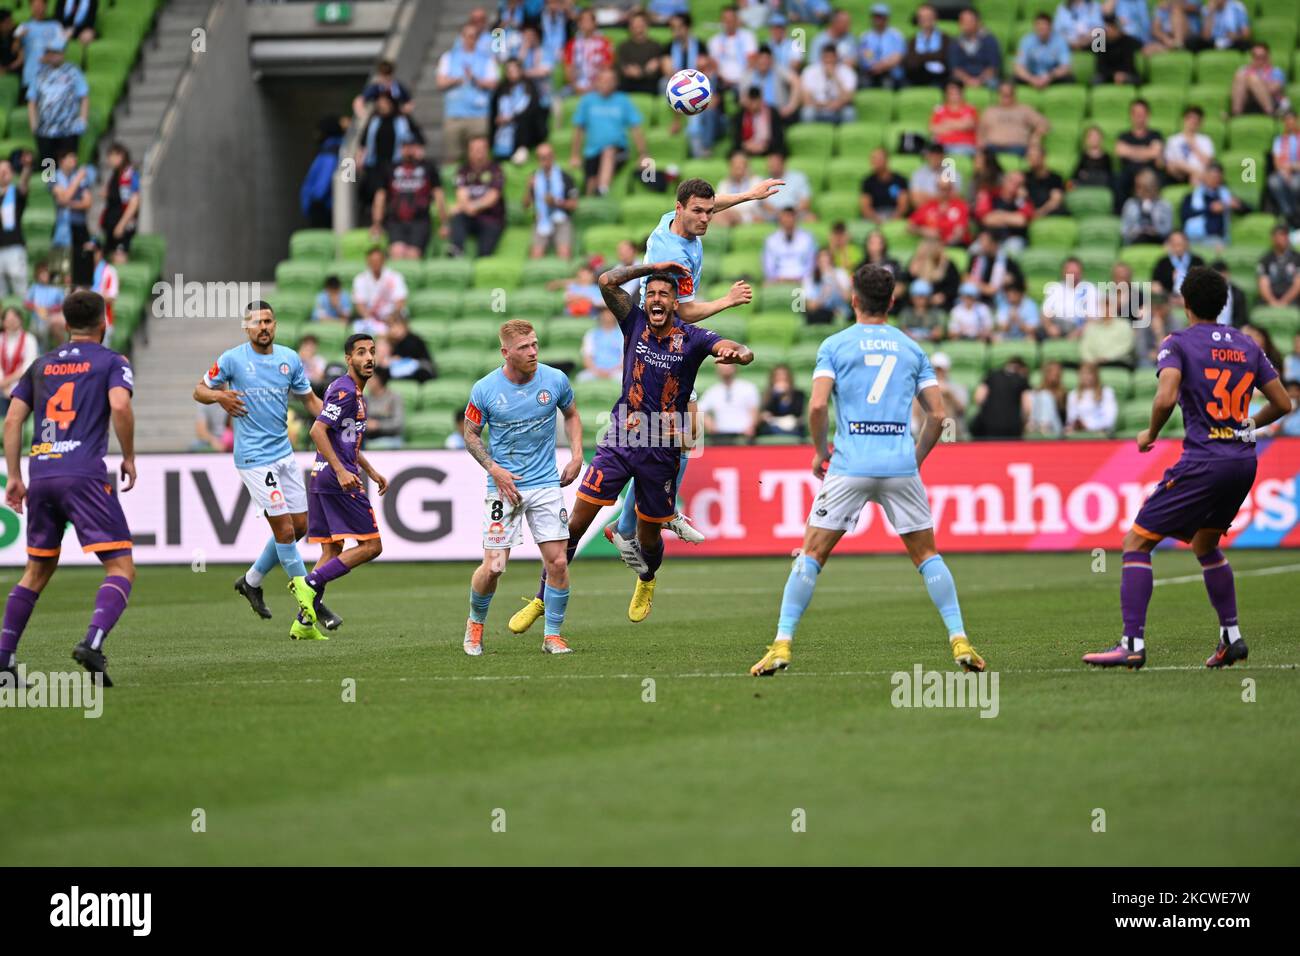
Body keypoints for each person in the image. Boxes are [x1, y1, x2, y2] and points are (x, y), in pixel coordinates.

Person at [750, 263, 986, 678]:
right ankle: (959, 638)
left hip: (850, 463)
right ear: (892, 302)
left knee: (812, 553)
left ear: (853, 300)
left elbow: (818, 405)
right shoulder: (912, 349)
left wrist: (820, 452)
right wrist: (914, 460)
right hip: (899, 464)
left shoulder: (835, 345)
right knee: (927, 554)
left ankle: (783, 644)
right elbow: (938, 413)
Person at [510, 263, 753, 637]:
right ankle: (543, 598)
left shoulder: (692, 337)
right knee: (573, 525)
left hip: (663, 449)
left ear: (675, 302)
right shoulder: (634, 322)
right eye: (651, 293)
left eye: (664, 294)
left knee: (649, 537)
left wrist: (739, 354)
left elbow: (730, 346)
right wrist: (652, 268)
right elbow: (606, 280)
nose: (656, 299)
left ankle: (647, 577)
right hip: (622, 438)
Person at [1083, 266, 1291, 670]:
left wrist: (1149, 433)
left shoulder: (1176, 342)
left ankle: (1132, 643)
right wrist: (1248, 424)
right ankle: (1231, 637)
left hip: (1204, 460)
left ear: (1186, 303)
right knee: (1205, 544)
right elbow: (1284, 404)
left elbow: (1165, 396)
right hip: (1243, 462)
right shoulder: (1247, 345)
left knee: (1136, 542)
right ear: (1223, 304)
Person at [0, 290, 134, 686]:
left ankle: (3, 660)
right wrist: (129, 456)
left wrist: (14, 476)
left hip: (41, 473)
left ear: (66, 323)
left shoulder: (39, 365)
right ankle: (92, 642)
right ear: (103, 322)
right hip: (83, 475)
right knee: (120, 566)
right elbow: (121, 407)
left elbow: (12, 422)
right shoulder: (113, 362)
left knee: (36, 571)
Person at [194, 302, 332, 629]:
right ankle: (311, 601)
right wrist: (220, 397)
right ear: (246, 327)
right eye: (257, 323)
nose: (263, 327)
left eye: (268, 321)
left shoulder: (289, 359)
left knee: (300, 526)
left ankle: (251, 581)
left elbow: (309, 399)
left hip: (283, 454)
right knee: (284, 529)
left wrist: (333, 421)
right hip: (253, 457)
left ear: (275, 324)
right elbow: (199, 391)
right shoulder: (232, 359)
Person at [461, 319, 583, 656]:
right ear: (505, 353)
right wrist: (493, 468)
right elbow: (470, 433)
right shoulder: (485, 389)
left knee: (557, 562)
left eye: (535, 344)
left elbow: (572, 414)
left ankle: (553, 636)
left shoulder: (555, 379)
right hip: (504, 487)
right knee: (495, 566)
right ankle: (474, 625)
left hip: (545, 483)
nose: (532, 352)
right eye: (524, 348)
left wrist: (576, 455)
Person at [293, 334, 388, 641]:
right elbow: (317, 430)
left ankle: (304, 623)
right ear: (349, 359)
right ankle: (309, 583)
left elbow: (342, 437)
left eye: (372, 351)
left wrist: (370, 470)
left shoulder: (347, 390)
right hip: (336, 478)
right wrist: (342, 470)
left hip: (322, 477)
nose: (369, 357)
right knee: (372, 546)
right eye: (361, 352)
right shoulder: (346, 391)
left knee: (332, 548)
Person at [570, 68, 647, 196]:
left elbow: (636, 128)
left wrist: (643, 154)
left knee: (608, 151)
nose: (607, 83)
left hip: (618, 151)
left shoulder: (623, 100)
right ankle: (591, 202)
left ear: (616, 83)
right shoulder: (587, 101)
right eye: (603, 80)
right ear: (597, 82)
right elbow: (579, 129)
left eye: (610, 80)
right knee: (590, 182)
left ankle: (602, 189)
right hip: (592, 151)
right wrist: (575, 155)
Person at [372, 137, 446, 259]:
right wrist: (376, 223)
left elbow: (439, 195)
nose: (409, 150)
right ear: (401, 149)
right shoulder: (390, 168)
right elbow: (380, 197)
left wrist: (444, 223)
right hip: (395, 220)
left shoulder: (428, 168)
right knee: (397, 252)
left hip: (420, 221)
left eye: (412, 147)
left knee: (413, 255)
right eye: (406, 147)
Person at [436, 23, 499, 165]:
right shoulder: (448, 57)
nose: (470, 39)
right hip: (454, 115)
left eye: (473, 36)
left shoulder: (487, 59)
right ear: (461, 37)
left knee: (479, 156)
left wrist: (475, 79)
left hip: (478, 115)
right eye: (467, 36)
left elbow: (493, 83)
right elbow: (440, 83)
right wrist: (457, 80)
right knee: (453, 156)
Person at [26, 36, 88, 167]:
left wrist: (82, 120)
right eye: (50, 52)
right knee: (48, 168)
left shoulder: (73, 71)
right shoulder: (39, 74)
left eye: (57, 52)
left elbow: (84, 96)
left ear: (62, 53)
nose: (54, 56)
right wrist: (33, 124)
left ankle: (69, 186)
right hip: (45, 131)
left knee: (68, 165)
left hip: (68, 129)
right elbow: (32, 101)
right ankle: (50, 187)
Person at [448, 136, 506, 257]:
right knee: (458, 217)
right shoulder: (463, 170)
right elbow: (461, 194)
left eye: (481, 149)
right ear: (469, 152)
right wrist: (464, 207)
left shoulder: (496, 170)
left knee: (484, 252)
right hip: (469, 217)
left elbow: (492, 198)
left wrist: (468, 206)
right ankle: (456, 250)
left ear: (487, 151)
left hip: (491, 218)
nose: (478, 153)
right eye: (474, 149)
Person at [523, 142, 578, 259]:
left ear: (553, 156)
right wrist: (529, 188)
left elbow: (574, 204)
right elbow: (526, 205)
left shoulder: (565, 177)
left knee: (564, 254)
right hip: (541, 219)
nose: (546, 160)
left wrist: (556, 202)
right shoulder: (534, 178)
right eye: (542, 157)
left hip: (561, 218)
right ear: (538, 160)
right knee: (535, 255)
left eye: (549, 156)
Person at [489, 58, 544, 165]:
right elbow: (494, 110)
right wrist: (497, 119)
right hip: (502, 133)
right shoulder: (501, 89)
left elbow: (532, 111)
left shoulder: (529, 87)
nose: (512, 73)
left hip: (523, 133)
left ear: (520, 70)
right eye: (509, 70)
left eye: (515, 70)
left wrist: (512, 118)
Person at [1114, 98, 1164, 209]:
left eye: (1142, 114)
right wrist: (1146, 152)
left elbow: (1155, 153)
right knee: (1118, 180)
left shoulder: (1155, 135)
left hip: (1150, 171)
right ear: (1131, 115)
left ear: (1148, 115)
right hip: (1129, 173)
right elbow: (1120, 151)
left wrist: (1131, 151)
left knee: (1153, 178)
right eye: (1136, 114)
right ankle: (1121, 215)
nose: (1139, 117)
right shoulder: (1123, 136)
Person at [1180, 162, 1245, 247]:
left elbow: (1247, 209)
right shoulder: (1192, 196)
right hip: (1192, 238)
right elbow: (1185, 215)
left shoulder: (1225, 195)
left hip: (1216, 239)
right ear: (1205, 176)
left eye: (1217, 177)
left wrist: (1237, 205)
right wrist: (1210, 209)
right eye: (1212, 176)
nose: (1214, 179)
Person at [977, 81, 1049, 157]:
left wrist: (1035, 136)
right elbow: (981, 129)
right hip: (993, 147)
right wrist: (981, 141)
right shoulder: (990, 111)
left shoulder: (1024, 109)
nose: (1006, 96)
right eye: (1003, 94)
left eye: (1009, 94)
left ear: (1014, 94)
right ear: (998, 94)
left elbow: (1044, 124)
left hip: (1017, 147)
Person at [699, 359, 760, 443]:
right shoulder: (712, 391)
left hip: (743, 435)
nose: (725, 369)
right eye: (722, 367)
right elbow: (699, 409)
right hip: (720, 435)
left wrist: (751, 427)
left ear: (735, 368)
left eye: (727, 365)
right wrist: (709, 424)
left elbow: (754, 410)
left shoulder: (748, 388)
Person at [351, 246, 408, 333]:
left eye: (378, 260)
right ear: (368, 262)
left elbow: (400, 301)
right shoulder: (360, 279)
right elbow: (359, 304)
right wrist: (369, 318)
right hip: (371, 319)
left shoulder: (395, 277)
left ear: (383, 261)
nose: (375, 263)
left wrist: (392, 317)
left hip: (393, 318)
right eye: (372, 261)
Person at [971, 355, 1030, 437]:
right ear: (1022, 369)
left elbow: (978, 398)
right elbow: (1027, 408)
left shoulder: (991, 375)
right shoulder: (1022, 379)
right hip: (1012, 428)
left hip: (987, 426)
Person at [100, 142, 138, 262]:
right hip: (111, 224)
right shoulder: (115, 174)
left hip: (121, 226)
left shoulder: (130, 175)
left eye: (111, 156)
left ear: (120, 155)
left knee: (119, 258)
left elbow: (134, 202)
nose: (109, 160)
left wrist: (121, 225)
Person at [0, 152, 32, 297]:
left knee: (21, 290)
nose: (2, 174)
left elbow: (24, 185)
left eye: (6, 171)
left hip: (14, 247)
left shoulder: (15, 193)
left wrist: (26, 167)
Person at [947, 7, 1001, 90]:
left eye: (969, 21)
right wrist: (968, 80)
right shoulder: (955, 42)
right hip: (963, 79)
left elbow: (992, 67)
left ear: (978, 22)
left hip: (985, 79)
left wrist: (979, 81)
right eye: (962, 21)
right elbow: (955, 68)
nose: (965, 24)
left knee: (994, 84)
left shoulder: (990, 40)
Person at [799, 45, 855, 125]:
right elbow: (806, 99)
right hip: (818, 109)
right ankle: (810, 136)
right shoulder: (810, 71)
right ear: (821, 58)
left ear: (837, 57)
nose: (829, 60)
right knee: (807, 112)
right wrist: (822, 105)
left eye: (832, 57)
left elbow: (848, 98)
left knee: (849, 112)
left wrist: (835, 77)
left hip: (838, 110)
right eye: (826, 57)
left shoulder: (847, 72)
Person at [908, 178, 971, 248]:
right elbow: (910, 226)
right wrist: (924, 231)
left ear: (951, 189)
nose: (943, 192)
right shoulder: (928, 206)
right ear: (937, 189)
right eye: (940, 189)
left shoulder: (960, 205)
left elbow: (959, 232)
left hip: (954, 246)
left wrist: (944, 244)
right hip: (931, 245)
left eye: (946, 189)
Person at [1015, 13, 1073, 88]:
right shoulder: (1026, 41)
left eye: (1044, 26)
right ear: (1034, 27)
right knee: (1014, 79)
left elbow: (1066, 67)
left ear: (1050, 27)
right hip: (1032, 75)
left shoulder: (1060, 41)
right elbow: (1018, 66)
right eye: (1039, 26)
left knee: (1069, 79)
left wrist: (1050, 77)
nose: (1041, 28)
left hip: (1052, 76)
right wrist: (1031, 79)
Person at [1231, 42, 1287, 117]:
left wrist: (1254, 83)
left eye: (1262, 57)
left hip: (1270, 102)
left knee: (1252, 79)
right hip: (1248, 103)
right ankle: (1235, 114)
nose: (1259, 60)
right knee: (1240, 75)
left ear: (1268, 57)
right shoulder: (1244, 70)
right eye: (1256, 57)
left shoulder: (1276, 71)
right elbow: (1235, 91)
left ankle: (1271, 114)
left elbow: (1274, 89)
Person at [858, 3, 906, 89]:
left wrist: (883, 66)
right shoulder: (866, 37)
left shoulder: (896, 35)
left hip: (891, 73)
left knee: (889, 82)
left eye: (881, 16)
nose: (878, 19)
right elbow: (866, 55)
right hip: (871, 72)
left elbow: (898, 56)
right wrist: (874, 66)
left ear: (887, 18)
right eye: (875, 16)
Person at [762, 207, 816, 284]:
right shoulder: (771, 240)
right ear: (780, 220)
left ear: (795, 219)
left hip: (802, 278)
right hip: (778, 278)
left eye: (790, 217)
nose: (788, 220)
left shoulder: (807, 238)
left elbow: (810, 263)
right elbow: (769, 265)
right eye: (785, 217)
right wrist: (776, 278)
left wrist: (803, 277)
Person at [615, 11, 664, 95]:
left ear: (646, 26)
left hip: (650, 84)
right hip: (628, 83)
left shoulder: (655, 46)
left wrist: (643, 72)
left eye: (641, 24)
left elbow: (656, 67)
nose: (638, 28)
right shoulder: (624, 46)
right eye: (635, 25)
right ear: (630, 27)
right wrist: (628, 70)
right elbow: (621, 66)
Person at [1164, 106, 1214, 186]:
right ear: (1184, 120)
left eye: (1196, 120)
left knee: (1196, 177)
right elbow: (1169, 166)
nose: (1193, 122)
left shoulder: (1205, 140)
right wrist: (1190, 170)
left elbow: (1208, 162)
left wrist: (1193, 145)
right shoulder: (1173, 140)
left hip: (1201, 175)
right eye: (1190, 118)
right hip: (1179, 175)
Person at [0, 305, 37, 414]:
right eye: (8, 319)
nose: (12, 322)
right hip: (2, 385)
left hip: (20, 384)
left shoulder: (29, 339)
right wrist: (3, 385)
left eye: (15, 318)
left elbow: (28, 366)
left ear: (21, 320)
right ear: (3, 322)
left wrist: (8, 384)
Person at [1121, 169, 1173, 244]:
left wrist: (1156, 231)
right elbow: (1124, 231)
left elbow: (1168, 229)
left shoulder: (1164, 205)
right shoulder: (1130, 204)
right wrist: (1136, 231)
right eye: (1138, 187)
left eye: (1145, 188)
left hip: (1158, 240)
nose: (1140, 191)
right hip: (1135, 240)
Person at [903, 4, 950, 87]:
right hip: (917, 78)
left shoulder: (945, 38)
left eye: (929, 16)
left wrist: (921, 58)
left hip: (940, 79)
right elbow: (910, 63)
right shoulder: (912, 41)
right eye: (922, 17)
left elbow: (945, 59)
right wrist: (933, 56)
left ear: (935, 18)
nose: (926, 20)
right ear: (918, 20)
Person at [859, 147, 910, 222]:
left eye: (879, 159)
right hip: (875, 215)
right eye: (873, 159)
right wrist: (876, 219)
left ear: (887, 160)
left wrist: (893, 219)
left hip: (894, 214)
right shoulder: (867, 182)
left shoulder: (900, 180)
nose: (876, 162)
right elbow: (865, 207)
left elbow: (903, 205)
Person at [1256, 225, 1300, 310]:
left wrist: (1284, 301)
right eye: (1280, 235)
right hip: (1270, 299)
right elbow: (1263, 282)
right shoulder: (1265, 259)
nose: (1284, 238)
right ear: (1273, 238)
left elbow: (1298, 283)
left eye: (1285, 235)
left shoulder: (1297, 258)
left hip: (1293, 299)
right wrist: (1272, 302)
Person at [802, 247, 851, 323]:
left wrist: (835, 280)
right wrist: (824, 294)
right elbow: (810, 306)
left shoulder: (841, 273)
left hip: (841, 311)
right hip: (821, 312)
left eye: (827, 261)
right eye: (821, 261)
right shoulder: (810, 278)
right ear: (817, 263)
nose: (824, 264)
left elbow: (847, 298)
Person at [1268, 110, 1300, 226]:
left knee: (1295, 184)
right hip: (1284, 172)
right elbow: (1276, 162)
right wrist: (1284, 172)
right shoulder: (1279, 140)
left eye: (1291, 119)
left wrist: (1292, 167)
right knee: (1274, 182)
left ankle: (1297, 213)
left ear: (1296, 120)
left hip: (1298, 172)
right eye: (1286, 120)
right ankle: (1288, 213)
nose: (1289, 122)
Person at [930, 81, 978, 156]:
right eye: (951, 93)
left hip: (964, 145)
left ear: (962, 94)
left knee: (959, 152)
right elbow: (934, 129)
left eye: (957, 93)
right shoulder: (939, 109)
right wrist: (960, 124)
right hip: (942, 146)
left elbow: (969, 125)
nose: (954, 96)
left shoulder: (970, 108)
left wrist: (947, 123)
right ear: (946, 94)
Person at [1186, 0, 1252, 54]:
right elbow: (1205, 36)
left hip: (1232, 42)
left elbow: (1246, 34)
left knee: (1245, 44)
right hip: (1213, 43)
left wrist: (1236, 36)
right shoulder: (1207, 9)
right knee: (1192, 41)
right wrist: (1210, 13)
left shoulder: (1237, 7)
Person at [759, 364, 805, 438]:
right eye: (778, 376)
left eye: (784, 376)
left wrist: (787, 396)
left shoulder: (798, 395)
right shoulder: (767, 395)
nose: (781, 378)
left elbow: (797, 413)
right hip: (772, 428)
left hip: (792, 427)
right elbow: (767, 413)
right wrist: (776, 395)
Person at [1094, 13, 1141, 85]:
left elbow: (1129, 64)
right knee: (1096, 80)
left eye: (1112, 27)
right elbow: (1100, 67)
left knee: (1137, 80)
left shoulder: (1129, 41)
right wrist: (1114, 75)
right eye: (1107, 27)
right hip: (1107, 76)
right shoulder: (1100, 42)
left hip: (1126, 74)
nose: (1108, 30)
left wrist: (1122, 75)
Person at [362, 367, 403, 449]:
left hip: (391, 438)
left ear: (379, 380)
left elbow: (398, 424)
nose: (367, 381)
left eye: (371, 377)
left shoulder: (394, 397)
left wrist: (378, 425)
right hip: (369, 439)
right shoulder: (365, 399)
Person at [1023, 360, 1065, 435]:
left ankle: (1043, 426)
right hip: (1037, 424)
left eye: (1056, 372)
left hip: (1056, 429)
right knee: (1030, 394)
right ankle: (1033, 425)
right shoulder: (1037, 393)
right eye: (1051, 371)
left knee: (1045, 395)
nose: (1054, 374)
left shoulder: (1064, 394)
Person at [580, 307, 623, 380]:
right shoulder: (591, 334)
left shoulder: (623, 335)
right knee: (582, 378)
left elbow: (626, 359)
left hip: (616, 371)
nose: (607, 315)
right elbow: (587, 357)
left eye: (610, 312)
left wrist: (611, 371)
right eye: (604, 312)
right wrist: (597, 371)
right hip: (595, 371)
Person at [1024, 143, 1065, 217]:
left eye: (1035, 156)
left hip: (1049, 213)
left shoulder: (1055, 178)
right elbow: (1021, 198)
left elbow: (1055, 201)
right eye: (1029, 157)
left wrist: (1040, 213)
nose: (1032, 160)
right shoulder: (1025, 177)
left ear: (1043, 157)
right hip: (1029, 213)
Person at [1072, 124, 1114, 191]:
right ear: (1086, 140)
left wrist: (1088, 175)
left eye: (1096, 136)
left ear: (1101, 138)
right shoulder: (1083, 156)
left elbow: (1109, 176)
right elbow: (1075, 176)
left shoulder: (1107, 157)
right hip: (1085, 186)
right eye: (1091, 136)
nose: (1094, 139)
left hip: (1102, 185)